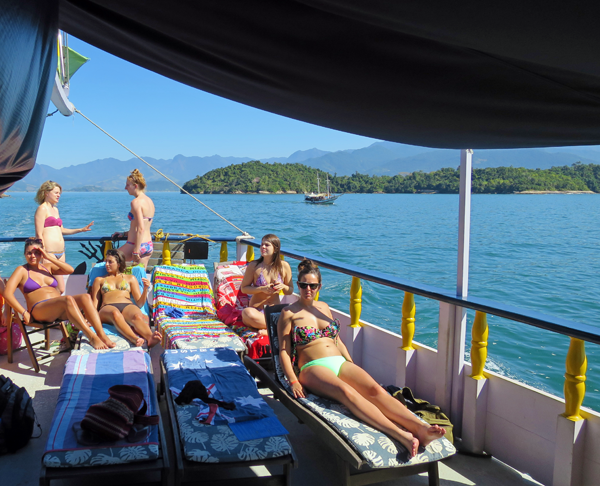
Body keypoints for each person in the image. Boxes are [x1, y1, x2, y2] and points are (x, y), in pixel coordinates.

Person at [277, 259, 446, 458]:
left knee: (375, 389)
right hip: (312, 367)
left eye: (312, 286)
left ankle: (420, 428)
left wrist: (350, 363)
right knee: (346, 392)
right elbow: (284, 351)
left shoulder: (324, 307)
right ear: (298, 285)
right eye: (304, 285)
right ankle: (401, 435)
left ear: (319, 287)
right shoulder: (288, 313)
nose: (308, 289)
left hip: (339, 362)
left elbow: (337, 340)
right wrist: (293, 380)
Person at [3, 238, 115, 350]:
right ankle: (92, 337)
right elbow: (7, 293)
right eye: (29, 253)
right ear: (24, 254)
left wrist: (48, 257)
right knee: (67, 299)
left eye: (37, 253)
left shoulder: (47, 267)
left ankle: (102, 335)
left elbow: (70, 270)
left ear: (41, 253)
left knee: (85, 297)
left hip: (58, 309)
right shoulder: (21, 270)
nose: (33, 256)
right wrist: (23, 312)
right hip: (39, 310)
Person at [91, 249, 162, 348]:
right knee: (115, 314)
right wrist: (89, 318)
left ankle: (150, 337)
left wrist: (145, 289)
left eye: (110, 262)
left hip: (127, 305)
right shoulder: (99, 280)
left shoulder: (130, 278)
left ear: (119, 263)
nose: (106, 264)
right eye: (106, 261)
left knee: (137, 316)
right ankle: (135, 339)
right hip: (107, 308)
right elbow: (95, 303)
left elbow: (140, 303)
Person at [34, 180, 94, 294]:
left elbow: (62, 230)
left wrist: (81, 230)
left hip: (61, 252)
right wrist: (43, 251)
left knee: (59, 287)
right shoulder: (42, 209)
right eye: (56, 192)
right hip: (49, 252)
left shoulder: (55, 209)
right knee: (53, 287)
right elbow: (39, 233)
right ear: (46, 193)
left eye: (59, 193)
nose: (58, 195)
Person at [240, 234, 293, 334]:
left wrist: (283, 286)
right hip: (256, 311)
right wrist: (261, 289)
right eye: (261, 244)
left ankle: (270, 329)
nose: (262, 247)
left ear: (276, 249)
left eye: (267, 245)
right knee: (247, 313)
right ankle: (277, 328)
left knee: (293, 312)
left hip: (274, 311)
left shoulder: (284, 266)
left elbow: (290, 290)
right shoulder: (254, 265)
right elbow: (244, 288)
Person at [112, 169, 155, 267]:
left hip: (136, 245)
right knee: (139, 276)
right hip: (148, 244)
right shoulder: (149, 201)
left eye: (127, 185)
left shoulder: (136, 202)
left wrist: (136, 250)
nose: (125, 188)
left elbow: (140, 228)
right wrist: (124, 234)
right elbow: (143, 225)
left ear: (135, 186)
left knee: (109, 262)